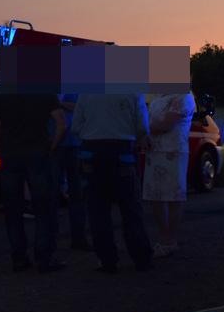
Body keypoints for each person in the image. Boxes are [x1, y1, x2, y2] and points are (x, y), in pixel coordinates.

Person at [0, 92, 67, 273]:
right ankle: (44, 258)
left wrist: (2, 150)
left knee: (13, 209)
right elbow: (61, 124)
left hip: (10, 156)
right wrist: (51, 149)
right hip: (38, 155)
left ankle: (19, 258)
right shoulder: (45, 94)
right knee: (43, 208)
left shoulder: (2, 95)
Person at [73, 94, 154, 273]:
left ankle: (107, 259)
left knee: (98, 209)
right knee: (130, 206)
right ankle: (141, 257)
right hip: (122, 149)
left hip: (92, 153)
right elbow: (142, 126)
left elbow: (76, 125)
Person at [140, 92, 196, 257]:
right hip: (154, 151)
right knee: (155, 196)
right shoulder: (160, 97)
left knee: (172, 195)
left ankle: (169, 239)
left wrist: (142, 128)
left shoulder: (183, 97)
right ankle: (163, 236)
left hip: (173, 151)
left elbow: (166, 125)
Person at [53, 94, 91, 251]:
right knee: (52, 194)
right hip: (53, 145)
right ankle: (51, 241)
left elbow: (83, 108)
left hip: (73, 144)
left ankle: (79, 238)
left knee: (77, 194)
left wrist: (57, 104)